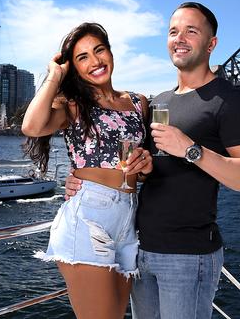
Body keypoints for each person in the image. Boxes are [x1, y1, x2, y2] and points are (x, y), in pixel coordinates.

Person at [64, 2, 240, 319]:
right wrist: (83, 178)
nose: (180, 38)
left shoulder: (229, 100)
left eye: (191, 31)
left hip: (188, 255)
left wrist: (191, 150)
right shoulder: (159, 102)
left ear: (211, 44)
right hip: (139, 248)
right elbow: (141, 168)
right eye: (174, 31)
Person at [21, 22, 153, 319]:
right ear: (74, 69)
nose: (95, 62)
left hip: (129, 219)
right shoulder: (74, 105)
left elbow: (141, 168)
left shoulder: (138, 103)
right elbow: (31, 126)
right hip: (90, 216)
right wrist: (55, 76)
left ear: (110, 51)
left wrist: (144, 166)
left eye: (99, 50)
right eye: (82, 58)